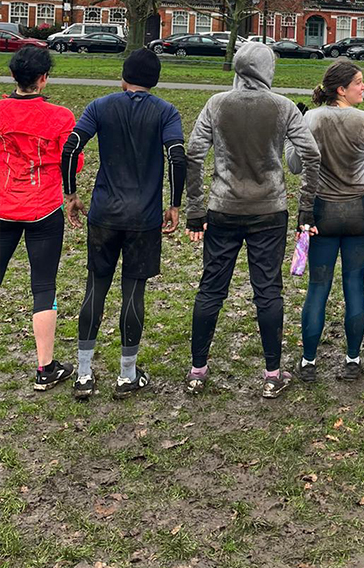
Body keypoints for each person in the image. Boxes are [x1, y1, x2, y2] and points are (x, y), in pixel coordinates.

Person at [184, 42, 321, 398]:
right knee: (268, 291)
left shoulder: (216, 104)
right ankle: (273, 373)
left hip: (223, 207)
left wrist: (195, 208)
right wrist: (307, 205)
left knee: (211, 288)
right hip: (268, 210)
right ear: (267, 70)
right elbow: (311, 155)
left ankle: (197, 370)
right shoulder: (283, 107)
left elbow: (194, 155)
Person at [62, 48, 185, 399]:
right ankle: (126, 374)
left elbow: (70, 148)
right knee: (133, 292)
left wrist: (71, 194)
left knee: (95, 288)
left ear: (123, 77)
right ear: (156, 81)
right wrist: (174, 204)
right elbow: (177, 156)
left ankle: (84, 373)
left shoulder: (100, 106)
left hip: (103, 213)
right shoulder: (166, 111)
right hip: (143, 218)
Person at [285, 60, 364, 382]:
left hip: (321, 213)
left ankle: (308, 363)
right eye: (359, 82)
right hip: (359, 212)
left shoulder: (311, 118)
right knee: (354, 285)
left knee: (318, 287)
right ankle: (353, 360)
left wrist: (293, 135)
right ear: (341, 89)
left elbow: (293, 165)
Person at [0, 45, 81, 390]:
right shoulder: (61, 117)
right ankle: (45, 368)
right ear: (44, 79)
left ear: (14, 77)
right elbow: (72, 165)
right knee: (43, 286)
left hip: (3, 205)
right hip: (43, 209)